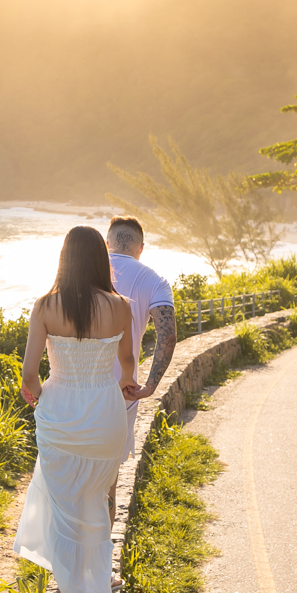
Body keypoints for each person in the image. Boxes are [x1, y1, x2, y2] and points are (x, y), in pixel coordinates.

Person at [12, 226, 138, 593]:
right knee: (98, 503)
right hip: (104, 414)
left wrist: (36, 395)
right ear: (101, 259)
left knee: (66, 514)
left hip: (60, 414)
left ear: (64, 258)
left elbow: (30, 374)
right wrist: (120, 386)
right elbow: (127, 368)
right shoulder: (121, 306)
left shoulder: (46, 305)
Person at [104, 217, 177, 520]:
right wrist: (150, 385)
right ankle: (101, 560)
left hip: (73, 386)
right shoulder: (154, 280)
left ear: (107, 242)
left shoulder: (79, 271)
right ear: (141, 248)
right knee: (108, 483)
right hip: (123, 391)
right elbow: (168, 335)